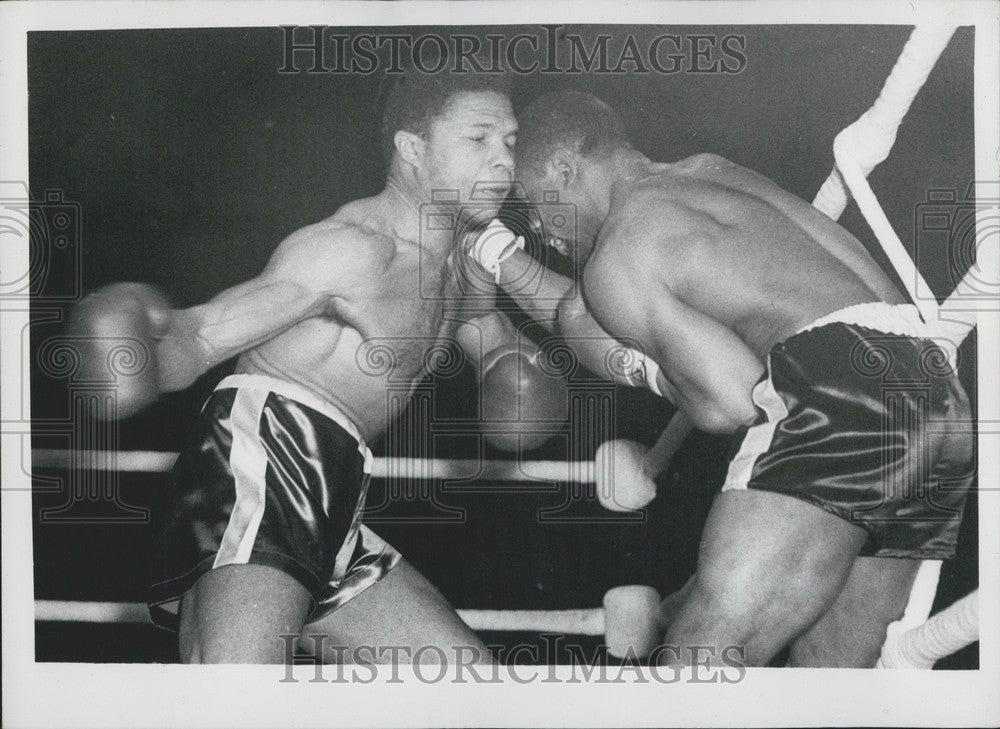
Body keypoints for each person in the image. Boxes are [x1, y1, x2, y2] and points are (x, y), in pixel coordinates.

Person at [69, 71, 550, 664]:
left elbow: (491, 340)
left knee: (472, 692)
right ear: (413, 149)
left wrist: (510, 367)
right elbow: (199, 339)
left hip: (337, 497)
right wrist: (135, 345)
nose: (504, 160)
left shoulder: (459, 266)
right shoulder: (354, 248)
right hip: (268, 461)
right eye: (479, 140)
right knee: (238, 698)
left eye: (510, 141)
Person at [504, 90, 973, 667]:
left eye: (530, 203)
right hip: (933, 386)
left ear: (562, 169)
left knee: (697, 672)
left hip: (841, 389)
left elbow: (730, 402)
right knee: (832, 691)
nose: (542, 233)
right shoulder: (710, 169)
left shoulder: (618, 255)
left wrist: (646, 371)